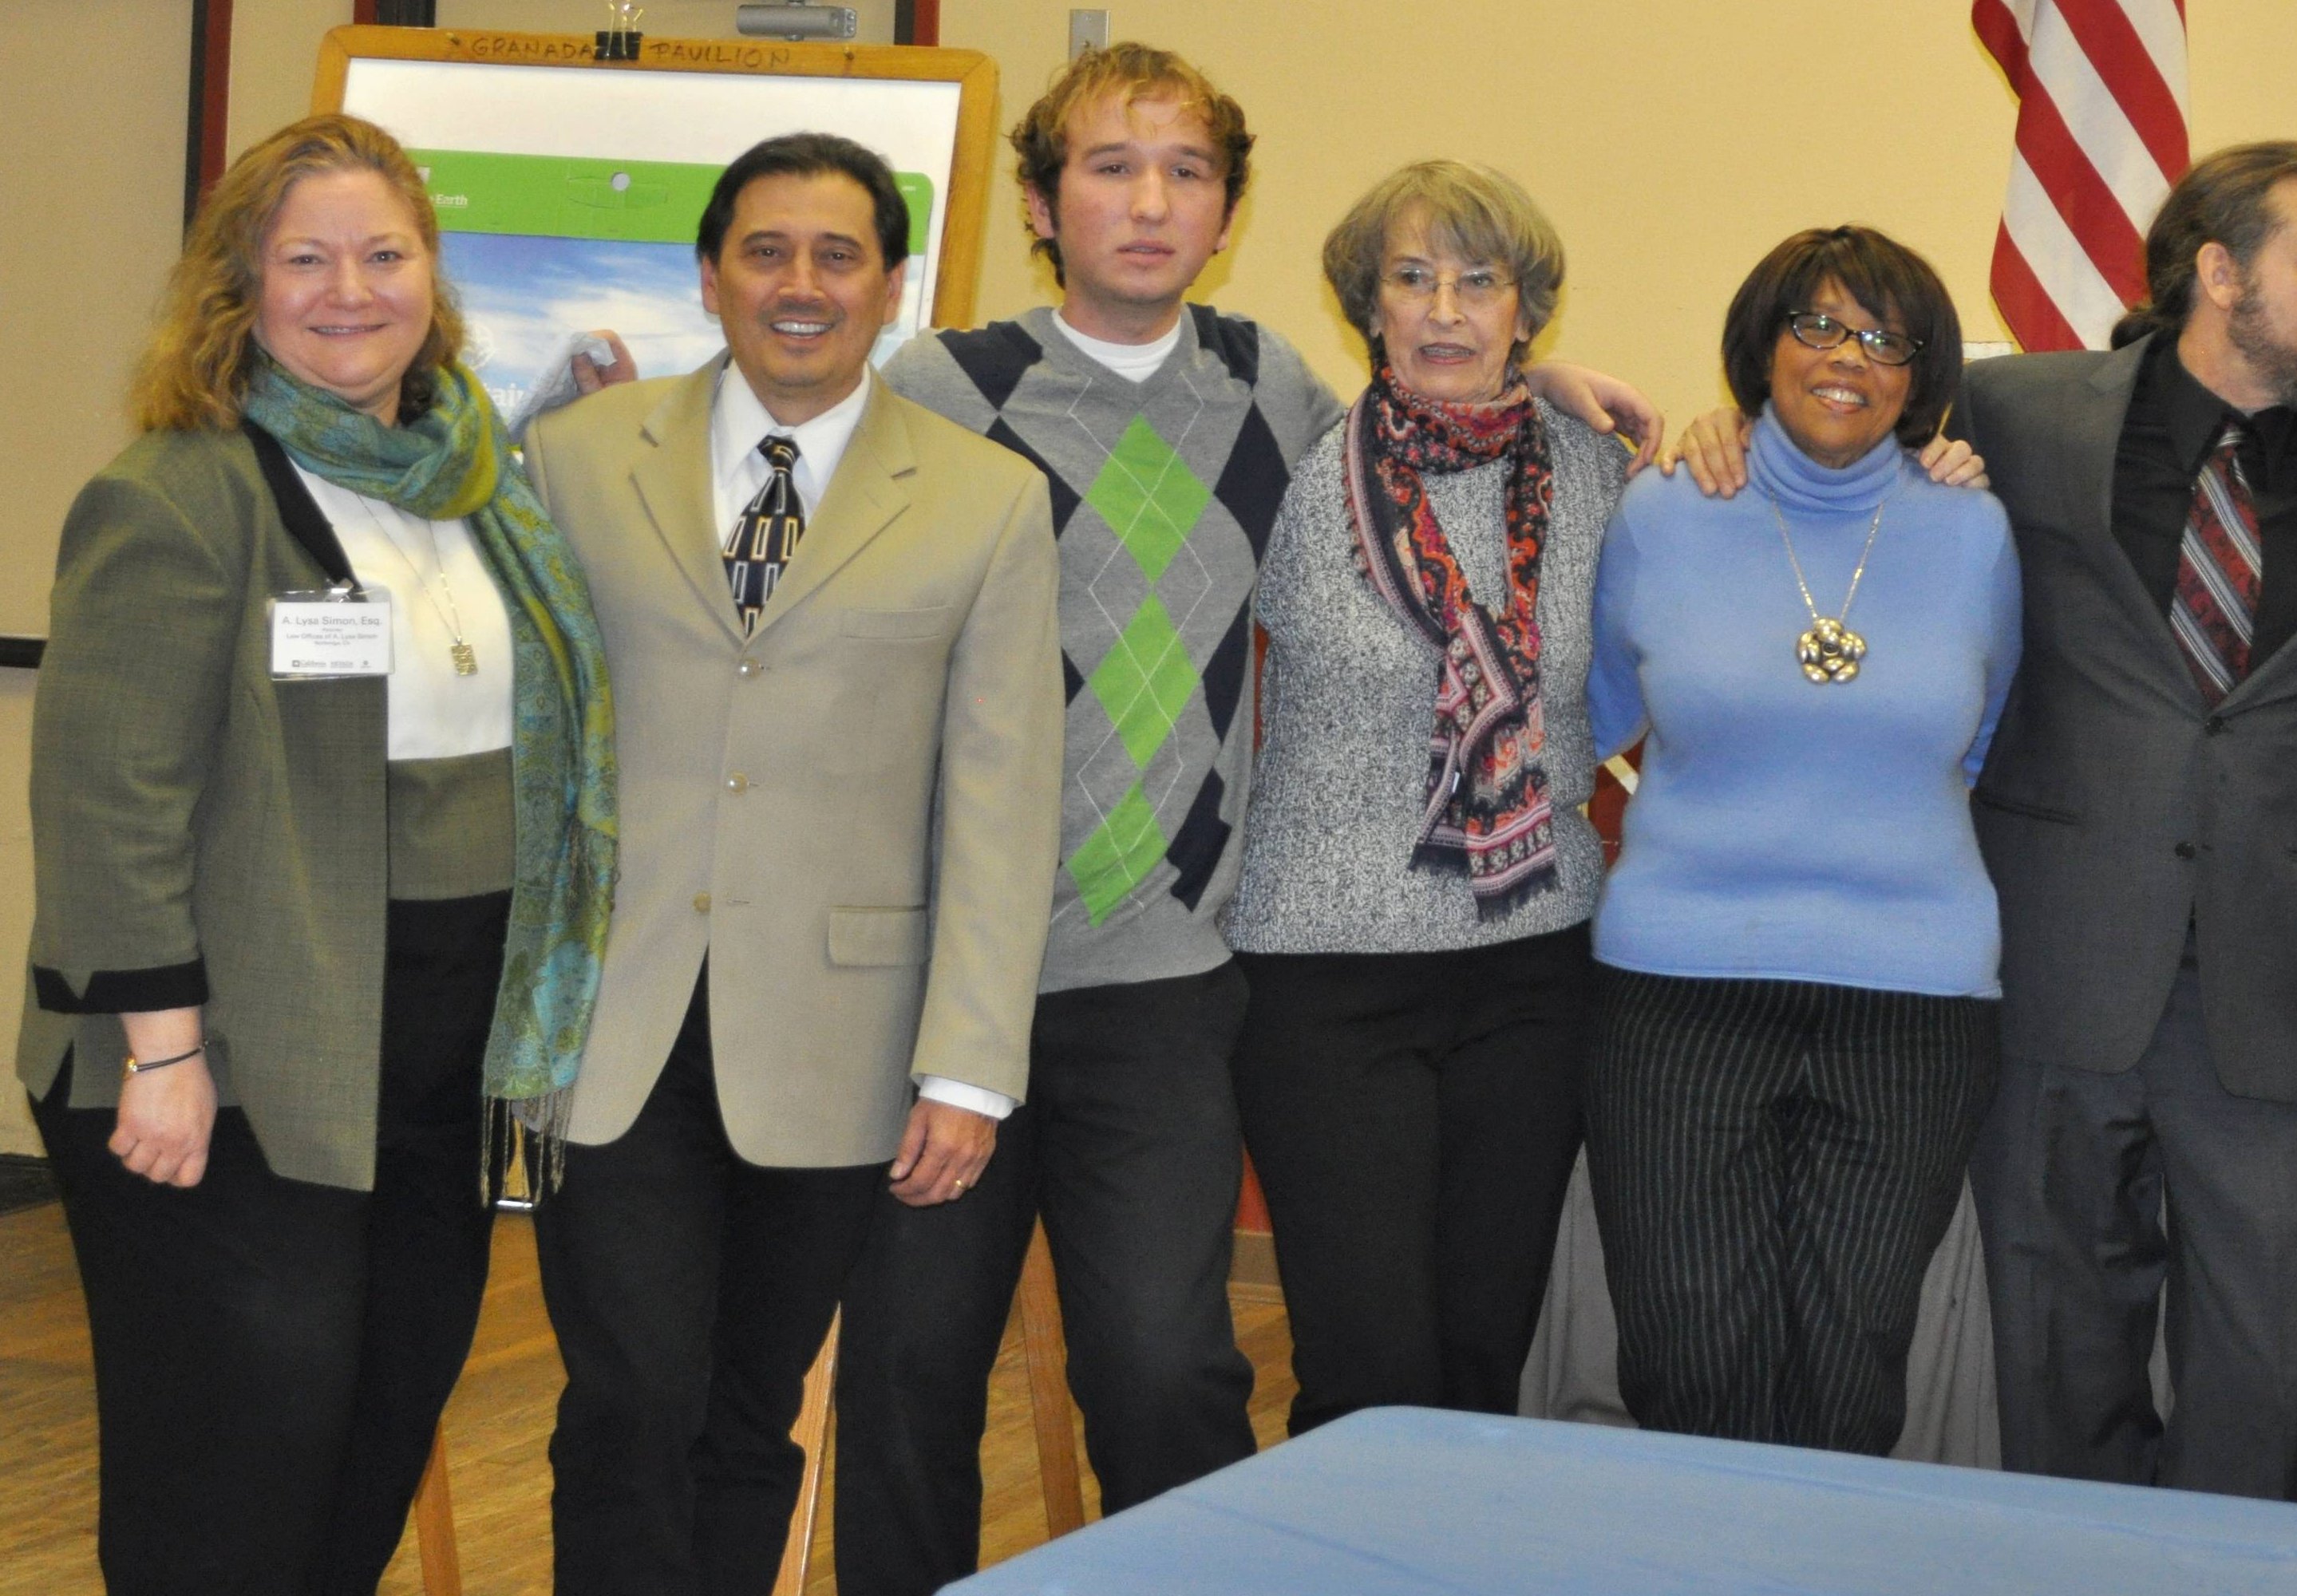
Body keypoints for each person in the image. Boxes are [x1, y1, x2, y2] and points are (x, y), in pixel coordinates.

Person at [821, 43, 1666, 1591]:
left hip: (1175, 972)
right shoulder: (950, 391)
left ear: (1224, 211)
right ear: (1040, 204)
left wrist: (1550, 387)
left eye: (1187, 173)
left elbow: (1459, 451)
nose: (1152, 202)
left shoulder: (1279, 396)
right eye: (1112, 168)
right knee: (910, 1373)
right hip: (962, 971)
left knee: (1174, 1373)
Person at [17, 112, 613, 1595]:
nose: (351, 291)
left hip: (434, 1053)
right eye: (306, 260)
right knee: (240, 1454)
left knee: (377, 1423)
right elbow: (108, 797)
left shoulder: (482, 485)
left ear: (431, 276)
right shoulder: (178, 493)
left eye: (384, 255)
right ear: (239, 288)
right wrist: (163, 1051)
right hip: (226, 1058)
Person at [518, 132, 1059, 1596]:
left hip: (841, 1037)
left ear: (892, 285)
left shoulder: (986, 499)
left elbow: (1002, 797)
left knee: (750, 1409)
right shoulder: (576, 458)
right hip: (609, 1020)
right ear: (710, 277)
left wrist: (970, 1067)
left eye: (837, 255)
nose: (799, 284)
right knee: (630, 1396)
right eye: (765, 252)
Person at [1962, 142, 2297, 1501]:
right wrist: (1711, 430)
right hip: (2062, 973)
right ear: (2220, 272)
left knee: (2275, 1374)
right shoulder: (2020, 413)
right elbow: (1831, 417)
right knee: (2058, 1366)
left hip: (2268, 993)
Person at [1580, 225, 2018, 1456]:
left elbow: (1982, 739)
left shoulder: (1974, 530)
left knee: (1848, 1371)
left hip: (1913, 1007)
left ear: (1920, 376)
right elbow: (1593, 720)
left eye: (1886, 338)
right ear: (1762, 345)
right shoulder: (1662, 512)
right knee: (1687, 1362)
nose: (1847, 357)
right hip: (1677, 994)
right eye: (1817, 324)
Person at [1220, 159, 1625, 1434]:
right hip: (1326, 975)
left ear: (1525, 311)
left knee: (1479, 1359)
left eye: (1478, 281)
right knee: (1369, 1367)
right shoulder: (1292, 463)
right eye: (1411, 279)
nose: (1444, 311)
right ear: (1369, 305)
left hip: (1534, 970)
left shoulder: (1599, 474)